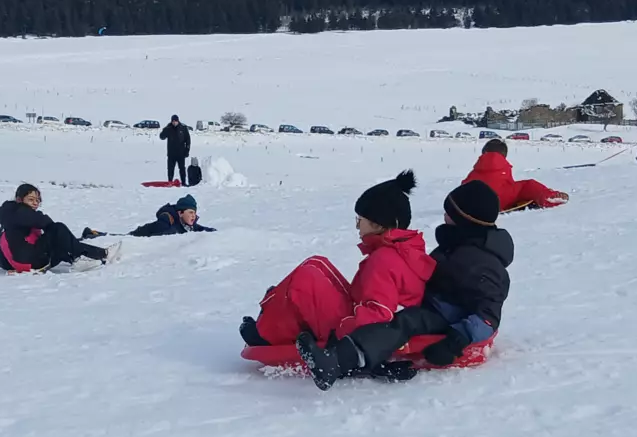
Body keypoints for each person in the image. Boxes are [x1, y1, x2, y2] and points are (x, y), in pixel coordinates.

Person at [296, 178, 514, 390]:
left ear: (466, 220)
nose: (445, 216)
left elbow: (488, 317)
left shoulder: (484, 263)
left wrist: (457, 339)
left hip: (449, 316)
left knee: (402, 323)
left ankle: (337, 361)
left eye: (450, 214)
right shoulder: (457, 243)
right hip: (436, 302)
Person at [239, 171, 429, 347]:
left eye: (359, 221)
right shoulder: (404, 248)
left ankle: (266, 334)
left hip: (354, 331)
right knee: (317, 263)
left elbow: (379, 315)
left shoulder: (383, 260)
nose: (357, 227)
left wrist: (341, 335)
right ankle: (275, 310)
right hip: (365, 315)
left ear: (377, 223)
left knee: (306, 279)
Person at [0, 183, 118, 271]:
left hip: (25, 262)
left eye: (37, 200)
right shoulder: (19, 212)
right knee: (58, 228)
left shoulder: (8, 222)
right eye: (31, 199)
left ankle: (89, 257)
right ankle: (100, 254)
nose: (35, 203)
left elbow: (2, 256)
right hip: (31, 261)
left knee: (59, 241)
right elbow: (45, 222)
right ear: (19, 200)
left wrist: (13, 266)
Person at [461, 138, 566, 211]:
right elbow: (508, 184)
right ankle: (548, 197)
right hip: (496, 202)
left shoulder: (476, 169)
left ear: (483, 153)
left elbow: (464, 184)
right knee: (527, 185)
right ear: (504, 155)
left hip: (472, 202)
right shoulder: (503, 165)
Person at [130, 194, 216, 236]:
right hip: (138, 235)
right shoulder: (167, 218)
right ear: (180, 213)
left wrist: (211, 231)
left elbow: (199, 228)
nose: (193, 215)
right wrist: (175, 232)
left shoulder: (189, 224)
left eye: (194, 212)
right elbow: (158, 237)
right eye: (190, 212)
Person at [159, 115, 192, 183]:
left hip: (181, 153)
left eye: (175, 121)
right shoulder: (169, 128)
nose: (174, 123)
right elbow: (162, 137)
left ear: (178, 121)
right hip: (171, 154)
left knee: (182, 169)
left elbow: (188, 140)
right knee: (170, 169)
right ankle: (170, 182)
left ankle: (183, 182)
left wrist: (187, 150)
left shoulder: (183, 128)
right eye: (173, 121)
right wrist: (165, 130)